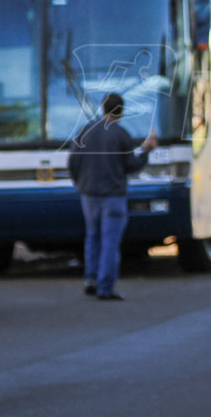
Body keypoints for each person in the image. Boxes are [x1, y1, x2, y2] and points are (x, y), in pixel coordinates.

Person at [67, 93, 157, 300]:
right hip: (113, 195)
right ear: (121, 112)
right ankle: (105, 287)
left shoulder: (85, 131)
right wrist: (146, 150)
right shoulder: (121, 135)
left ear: (103, 108)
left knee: (92, 236)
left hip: (88, 194)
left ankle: (90, 278)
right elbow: (132, 165)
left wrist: (80, 184)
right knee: (110, 241)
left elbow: (73, 162)